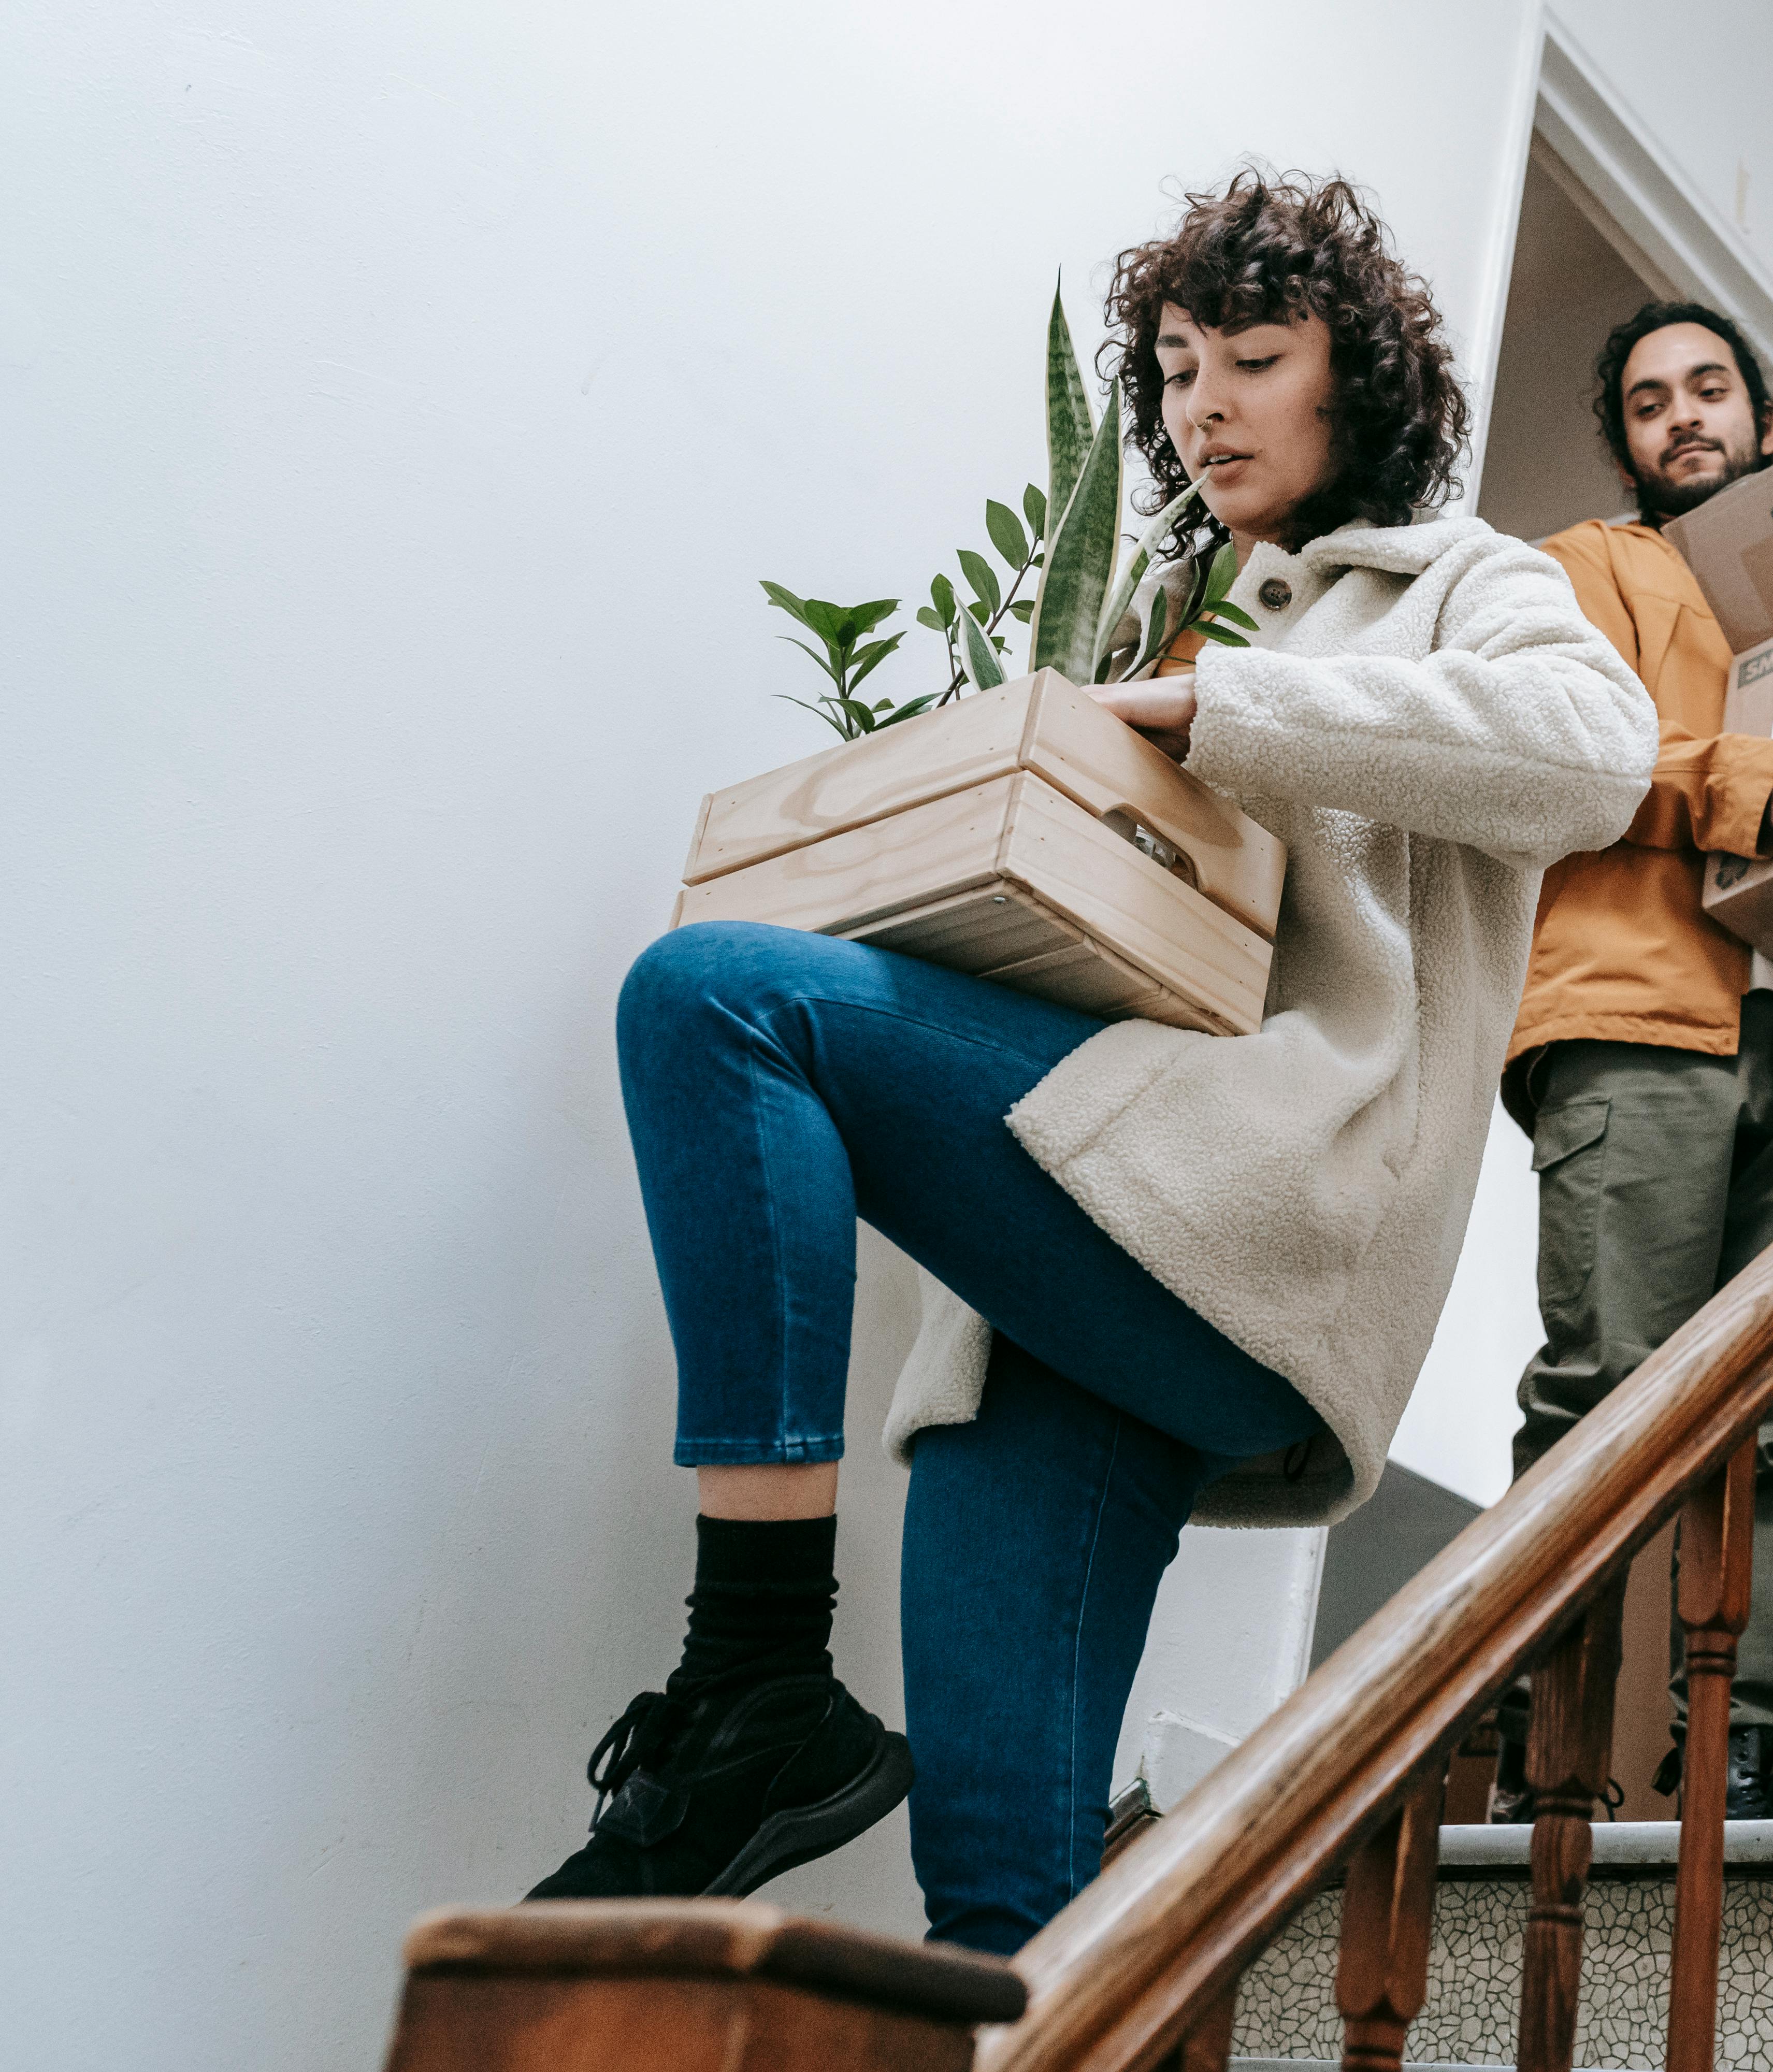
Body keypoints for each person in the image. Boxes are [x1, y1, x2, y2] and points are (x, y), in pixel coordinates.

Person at [521, 170, 1656, 1955]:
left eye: (1254, 360)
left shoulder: (1459, 582)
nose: (1206, 405)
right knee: (1001, 1907)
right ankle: (789, 1740)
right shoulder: (1151, 613)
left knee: (716, 999)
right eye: (1179, 369)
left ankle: (750, 1672)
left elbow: (1600, 755)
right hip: (1060, 1271)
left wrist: (1229, 708)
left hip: (1255, 1219)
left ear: (1355, 381)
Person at [1502, 302, 1773, 1820]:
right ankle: (1539, 1748)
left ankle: (1742, 1756)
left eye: (1709, 389)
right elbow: (1565, 751)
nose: (1684, 416)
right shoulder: (1581, 569)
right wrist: (1762, 783)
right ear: (1626, 442)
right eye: (1649, 401)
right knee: (1607, 1390)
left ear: (1767, 423)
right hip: (1636, 1018)